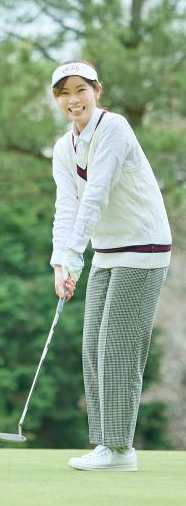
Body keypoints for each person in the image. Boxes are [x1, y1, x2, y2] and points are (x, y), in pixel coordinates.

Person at [50, 61, 171, 472]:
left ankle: (121, 450)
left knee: (117, 348)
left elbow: (96, 193)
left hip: (145, 247)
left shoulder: (115, 128)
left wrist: (74, 254)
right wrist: (60, 262)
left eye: (80, 89)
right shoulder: (63, 148)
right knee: (92, 349)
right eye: (64, 93)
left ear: (97, 91)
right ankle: (105, 445)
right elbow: (66, 208)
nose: (73, 100)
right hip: (106, 250)